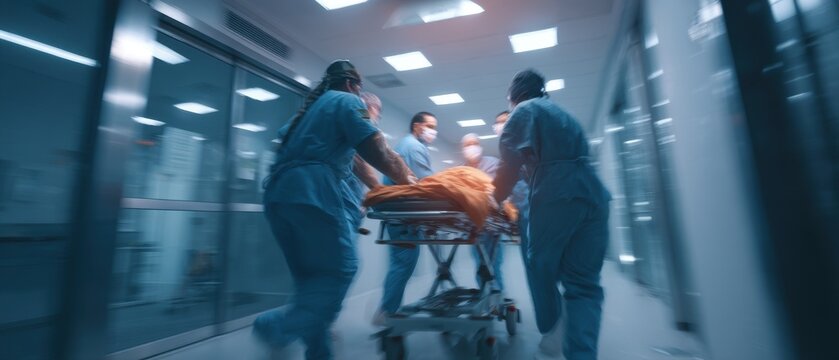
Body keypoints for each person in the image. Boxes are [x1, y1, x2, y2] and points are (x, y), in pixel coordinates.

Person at [254, 60, 415, 360]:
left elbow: (356, 161)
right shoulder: (349, 102)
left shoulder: (307, 113)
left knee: (311, 280)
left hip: (278, 195)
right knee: (342, 269)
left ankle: (319, 352)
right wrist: (410, 184)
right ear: (353, 85)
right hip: (311, 193)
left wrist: (377, 189)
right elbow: (376, 149)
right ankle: (277, 327)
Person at [492, 69, 611, 360]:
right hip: (593, 195)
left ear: (514, 96)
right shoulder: (564, 114)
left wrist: (491, 199)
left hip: (556, 194)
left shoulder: (523, 111)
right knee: (584, 284)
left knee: (540, 268)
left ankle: (551, 335)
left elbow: (509, 166)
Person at [373, 111, 438, 324]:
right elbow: (427, 184)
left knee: (401, 262)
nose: (433, 132)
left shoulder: (407, 145)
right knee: (403, 262)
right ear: (417, 126)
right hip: (403, 216)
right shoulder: (413, 147)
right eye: (430, 126)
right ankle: (387, 312)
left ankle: (388, 309)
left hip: (401, 215)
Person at [459, 133, 505, 291]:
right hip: (473, 225)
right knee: (480, 265)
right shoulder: (461, 170)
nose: (471, 147)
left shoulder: (493, 163)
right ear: (462, 149)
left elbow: (501, 189)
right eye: (467, 145)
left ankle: (498, 298)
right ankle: (484, 296)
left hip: (493, 223)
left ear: (480, 146)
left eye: (474, 143)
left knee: (494, 265)